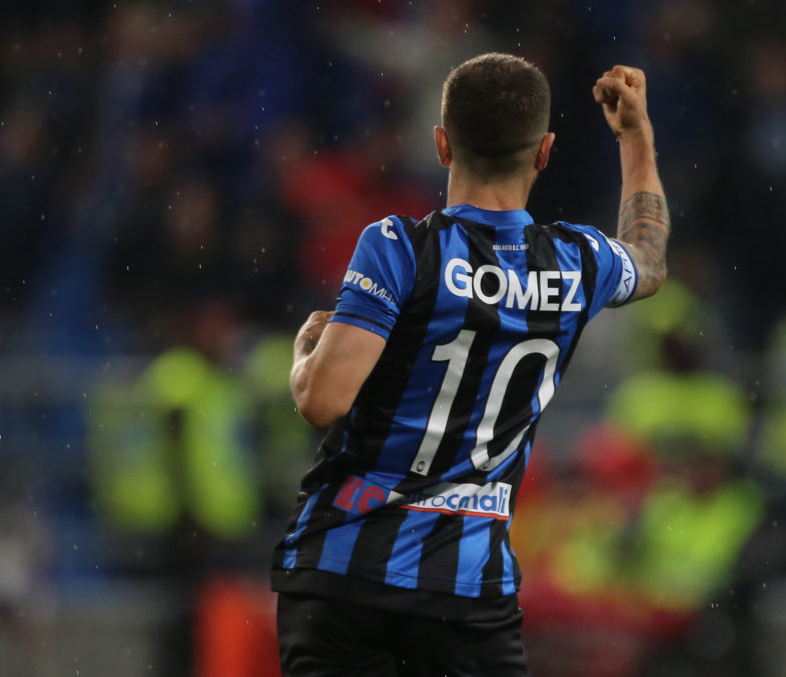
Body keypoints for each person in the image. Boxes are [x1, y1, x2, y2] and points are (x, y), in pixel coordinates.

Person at [272, 53, 669, 676]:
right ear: (544, 152)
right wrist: (635, 135)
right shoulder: (576, 262)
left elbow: (321, 401)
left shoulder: (398, 247)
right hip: (467, 595)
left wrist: (304, 351)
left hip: (344, 575)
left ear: (441, 145)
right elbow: (647, 256)